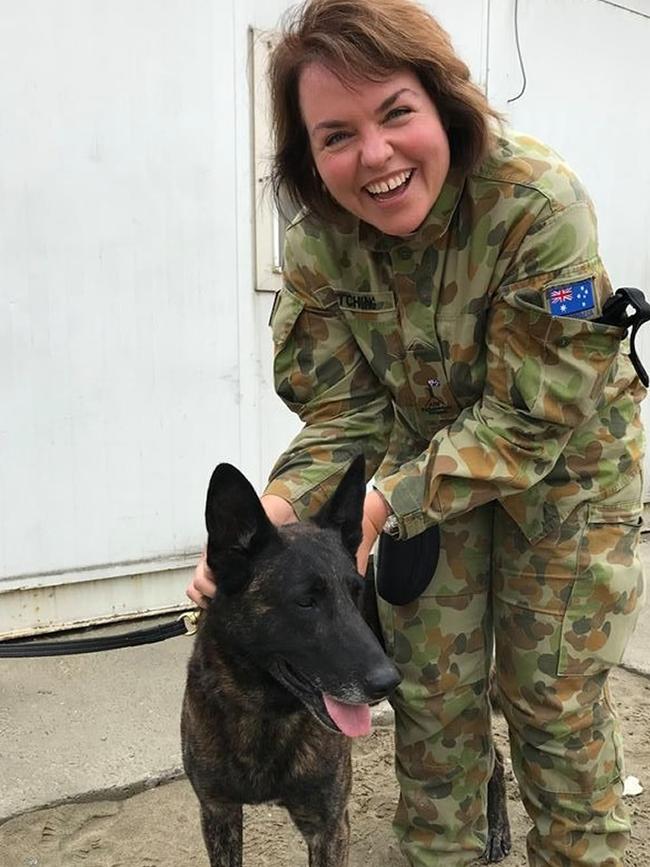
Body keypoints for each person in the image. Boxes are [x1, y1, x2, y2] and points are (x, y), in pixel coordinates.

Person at [188, 0, 647, 864]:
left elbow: (525, 418)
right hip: (415, 481)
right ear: (307, 153)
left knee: (549, 702)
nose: (375, 156)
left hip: (565, 475)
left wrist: (379, 503)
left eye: (396, 111)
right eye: (335, 134)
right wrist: (281, 513)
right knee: (434, 698)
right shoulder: (322, 244)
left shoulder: (534, 205)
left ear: (443, 102)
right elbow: (345, 409)